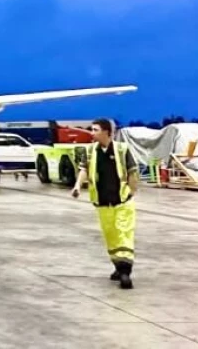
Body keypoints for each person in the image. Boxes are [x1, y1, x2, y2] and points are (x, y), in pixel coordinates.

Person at [72, 117, 140, 289]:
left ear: (107, 132)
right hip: (102, 203)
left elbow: (132, 172)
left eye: (95, 130)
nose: (92, 133)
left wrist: (131, 192)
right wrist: (78, 186)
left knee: (123, 234)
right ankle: (118, 266)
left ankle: (125, 272)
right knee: (110, 236)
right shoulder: (90, 151)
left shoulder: (122, 149)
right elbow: (84, 170)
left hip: (122, 202)